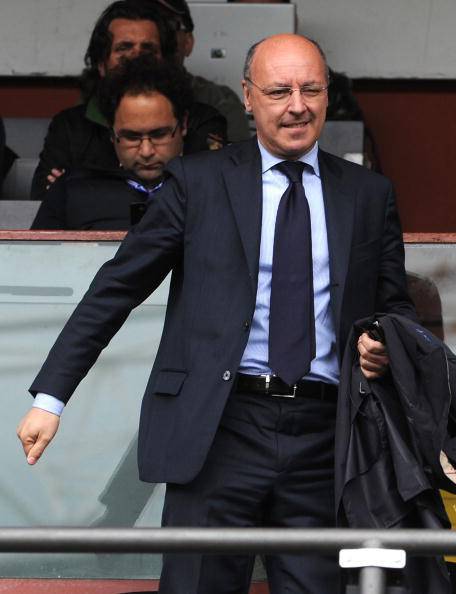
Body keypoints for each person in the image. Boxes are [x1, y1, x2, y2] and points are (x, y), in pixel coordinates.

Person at [17, 34, 415, 593]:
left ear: (328, 95)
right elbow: (117, 287)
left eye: (311, 90)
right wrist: (51, 397)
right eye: (278, 91)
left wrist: (383, 341)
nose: (297, 105)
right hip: (220, 428)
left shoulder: (369, 194)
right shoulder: (197, 181)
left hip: (326, 436)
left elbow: (394, 307)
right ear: (248, 97)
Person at [30, 0, 226, 201]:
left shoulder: (201, 119)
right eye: (124, 48)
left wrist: (83, 190)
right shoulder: (70, 127)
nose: (136, 57)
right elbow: (45, 199)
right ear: (101, 64)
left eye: (148, 49)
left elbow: (209, 194)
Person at [31, 55, 192, 230]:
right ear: (111, 132)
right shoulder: (71, 191)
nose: (146, 151)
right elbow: (38, 248)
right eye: (131, 137)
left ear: (183, 124)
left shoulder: (211, 190)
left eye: (159, 135)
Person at [154, 0, 251, 143]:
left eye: (166, 26)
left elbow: (238, 155)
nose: (154, 36)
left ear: (187, 42)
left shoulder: (217, 101)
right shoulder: (115, 97)